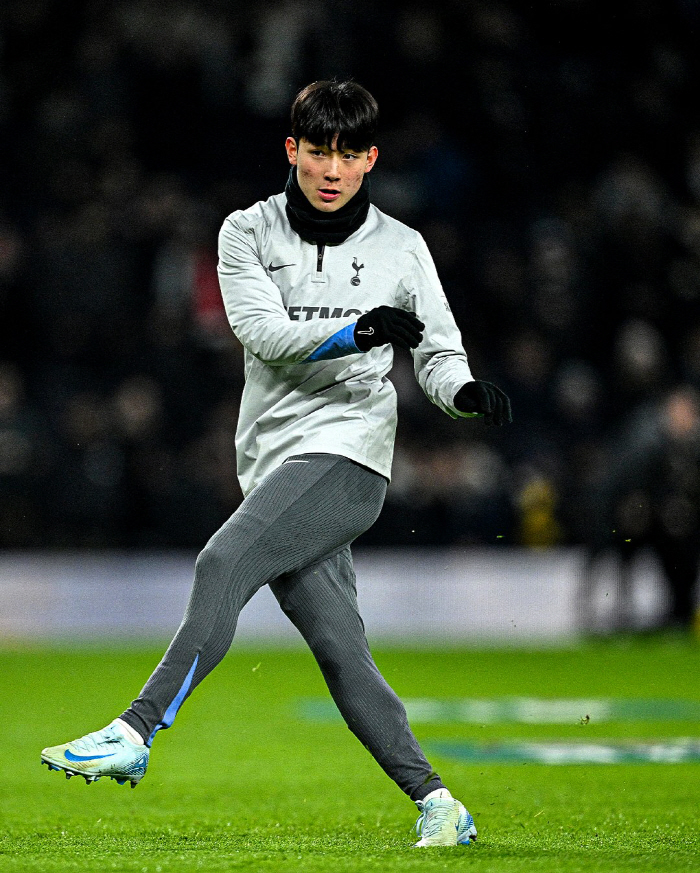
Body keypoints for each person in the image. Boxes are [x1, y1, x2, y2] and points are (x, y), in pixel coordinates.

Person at [41, 80, 512, 848]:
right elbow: (262, 334)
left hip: (351, 454)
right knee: (339, 648)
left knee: (222, 558)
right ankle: (439, 801)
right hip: (272, 460)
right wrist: (357, 334)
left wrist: (464, 394)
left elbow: (438, 351)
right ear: (291, 149)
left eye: (349, 153)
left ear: (371, 160)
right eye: (318, 149)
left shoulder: (403, 248)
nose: (332, 167)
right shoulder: (245, 232)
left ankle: (135, 729)